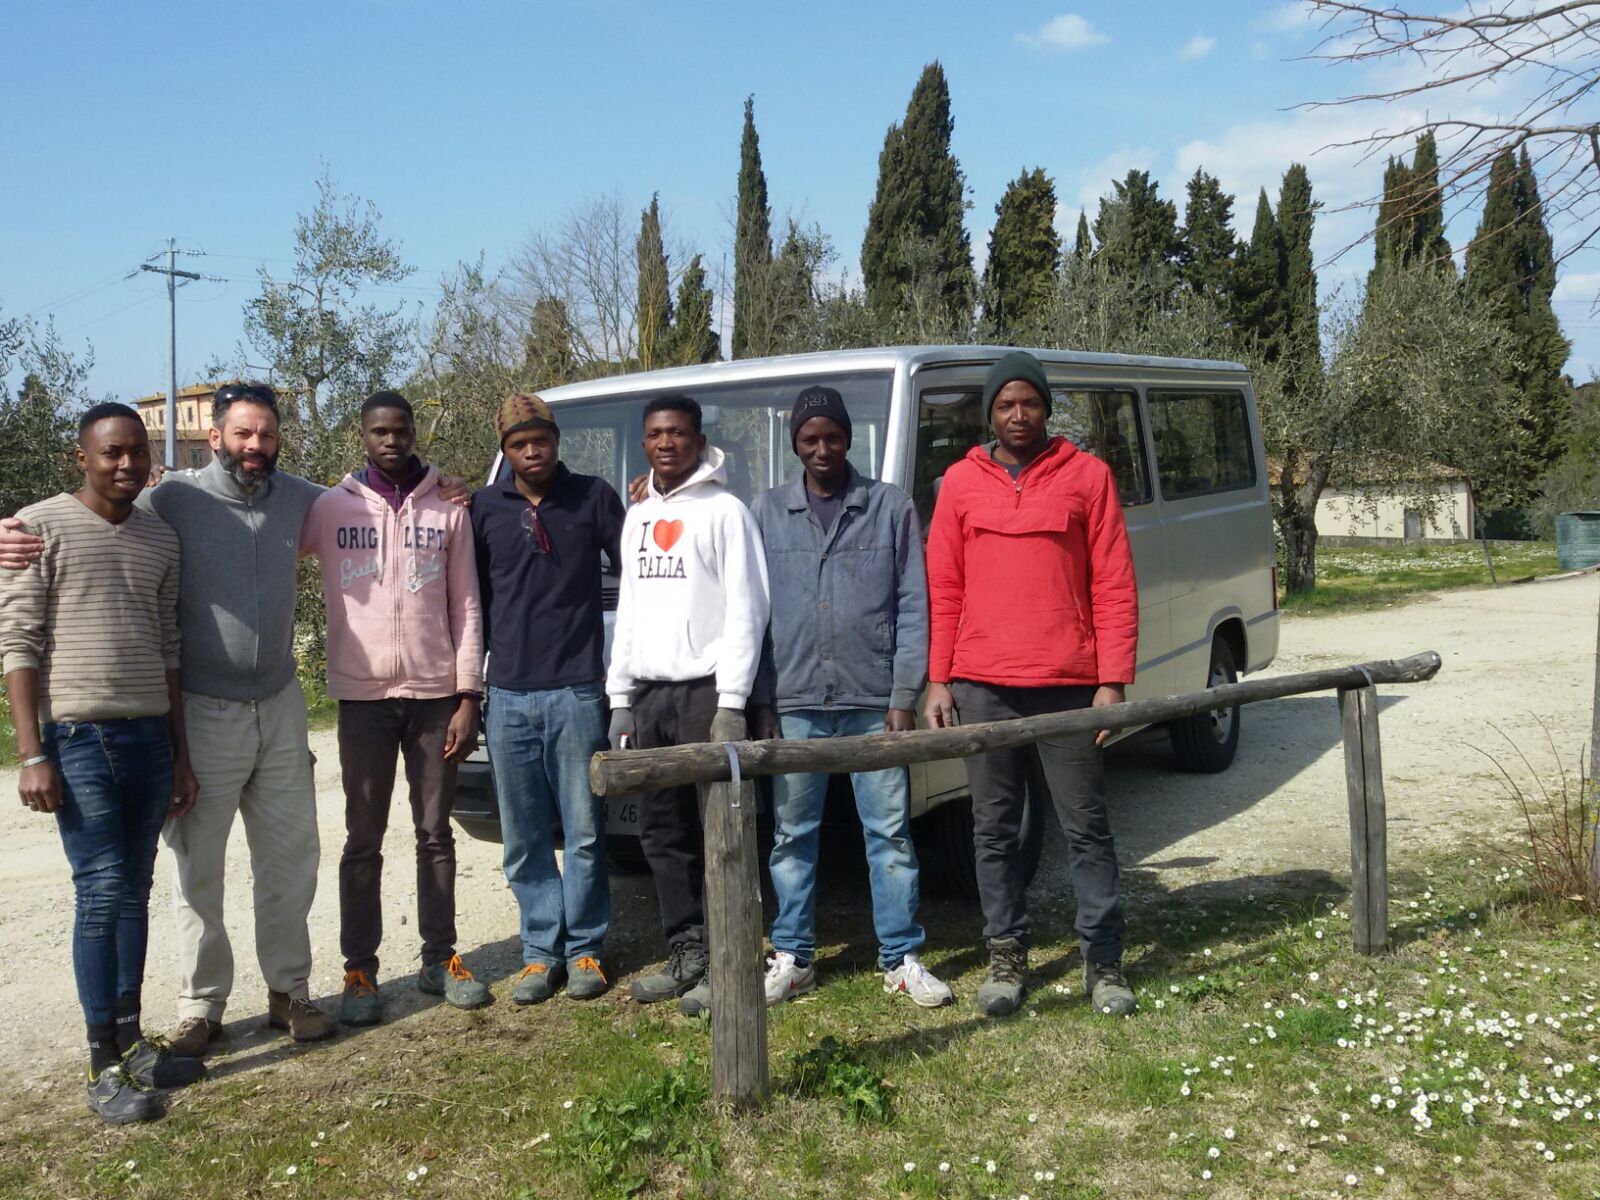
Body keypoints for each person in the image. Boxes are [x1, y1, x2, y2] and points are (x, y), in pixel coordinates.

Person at [0, 403, 202, 1124]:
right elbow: (18, 645)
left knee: (138, 888)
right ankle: (101, 1063)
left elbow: (170, 647)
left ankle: (130, 1037)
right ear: (80, 457)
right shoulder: (35, 528)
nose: (126, 465)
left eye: (137, 454)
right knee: (102, 888)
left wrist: (180, 751)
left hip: (150, 734)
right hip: (78, 739)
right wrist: (31, 753)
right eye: (112, 453)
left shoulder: (160, 536)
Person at [923, 351, 1140, 1019]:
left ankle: (1102, 962)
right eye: (1006, 403)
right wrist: (938, 680)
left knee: (1086, 829)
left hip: (1069, 686)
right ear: (990, 412)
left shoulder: (1089, 477)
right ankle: (1006, 955)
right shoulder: (958, 484)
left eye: (1030, 402)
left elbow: (1112, 581)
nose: (1019, 414)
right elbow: (944, 586)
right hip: (983, 686)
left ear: (1047, 408)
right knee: (992, 831)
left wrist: (1112, 681)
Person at [750, 385, 951, 1008]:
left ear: (848, 439)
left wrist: (903, 693)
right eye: (809, 439)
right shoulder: (765, 512)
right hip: (796, 700)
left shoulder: (888, 507)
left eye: (832, 437)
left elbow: (914, 604)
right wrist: (762, 701)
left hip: (873, 701)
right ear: (796, 446)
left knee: (888, 832)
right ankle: (794, 955)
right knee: (791, 834)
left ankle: (900, 956)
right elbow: (750, 615)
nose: (822, 449)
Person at [299, 391, 487, 1025]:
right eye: (379, 431)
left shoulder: (449, 509)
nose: (391, 440)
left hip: (437, 698)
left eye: (400, 430)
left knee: (436, 834)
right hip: (363, 700)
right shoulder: (328, 508)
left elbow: (466, 605)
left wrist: (468, 694)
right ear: (362, 435)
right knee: (363, 839)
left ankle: (441, 958)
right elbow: (262, 531)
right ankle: (360, 971)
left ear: (413, 433)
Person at [606, 394, 769, 1016]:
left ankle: (732, 955)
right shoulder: (638, 515)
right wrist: (620, 696)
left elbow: (747, 611)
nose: (665, 443)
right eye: (655, 435)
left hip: (705, 691)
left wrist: (732, 700)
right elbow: (631, 611)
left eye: (677, 433)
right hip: (649, 694)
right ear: (644, 443)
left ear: (700, 440)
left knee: (719, 830)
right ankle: (688, 950)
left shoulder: (726, 513)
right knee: (660, 829)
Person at [471, 393, 624, 1003]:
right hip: (506, 693)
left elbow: (637, 568)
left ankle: (585, 947)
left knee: (584, 829)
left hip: (577, 688)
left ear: (556, 440)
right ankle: (540, 950)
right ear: (505, 451)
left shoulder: (594, 497)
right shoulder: (482, 508)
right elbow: (469, 600)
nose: (530, 451)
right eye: (517, 444)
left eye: (540, 439)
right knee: (524, 834)